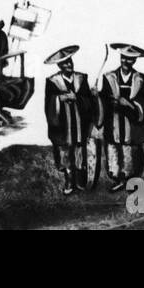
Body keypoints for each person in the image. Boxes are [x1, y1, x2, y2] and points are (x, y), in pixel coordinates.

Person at [94, 43, 144, 192]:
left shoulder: (142, 79)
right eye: (124, 58)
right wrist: (97, 95)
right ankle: (118, 179)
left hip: (130, 122)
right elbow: (104, 99)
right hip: (113, 120)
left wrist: (130, 104)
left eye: (130, 59)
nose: (126, 62)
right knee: (113, 149)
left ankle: (130, 180)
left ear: (135, 61)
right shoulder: (109, 77)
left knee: (129, 151)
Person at [44, 45, 92, 194]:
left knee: (79, 151)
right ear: (59, 66)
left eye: (70, 62)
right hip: (62, 124)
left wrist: (77, 98)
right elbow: (48, 103)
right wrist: (59, 98)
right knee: (64, 152)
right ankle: (69, 181)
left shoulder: (81, 78)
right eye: (64, 63)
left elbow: (88, 100)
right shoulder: (52, 81)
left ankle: (81, 182)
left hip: (79, 123)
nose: (69, 65)